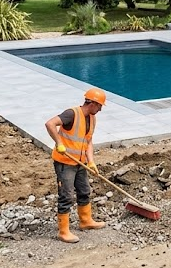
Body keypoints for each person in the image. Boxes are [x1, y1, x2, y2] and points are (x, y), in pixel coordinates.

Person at [45, 88, 108, 243]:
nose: (100, 109)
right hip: (65, 162)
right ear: (92, 103)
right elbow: (50, 123)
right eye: (99, 106)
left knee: (84, 190)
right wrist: (59, 143)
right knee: (66, 195)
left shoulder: (92, 118)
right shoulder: (71, 114)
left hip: (80, 163)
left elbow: (88, 141)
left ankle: (85, 221)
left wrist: (91, 161)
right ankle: (63, 231)